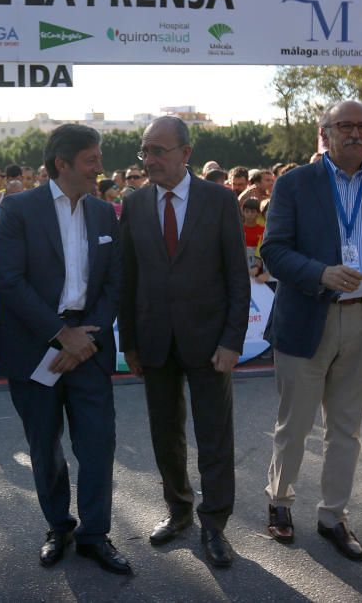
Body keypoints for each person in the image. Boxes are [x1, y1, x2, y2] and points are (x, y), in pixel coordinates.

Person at [260, 100, 362, 561]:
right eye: (345, 125)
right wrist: (320, 273)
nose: (355, 133)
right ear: (325, 133)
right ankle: (280, 503)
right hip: (307, 316)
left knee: (347, 430)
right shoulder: (294, 184)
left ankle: (333, 517)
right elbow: (273, 251)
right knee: (295, 425)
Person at [0, 124, 129, 575]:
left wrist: (84, 337)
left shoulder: (106, 213)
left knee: (97, 444)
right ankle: (59, 526)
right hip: (35, 347)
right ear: (62, 164)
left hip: (88, 345)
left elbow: (114, 283)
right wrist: (59, 334)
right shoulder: (17, 209)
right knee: (45, 445)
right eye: (92, 160)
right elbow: (9, 280)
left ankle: (94, 534)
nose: (100, 169)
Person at [118, 116, 249, 568]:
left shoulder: (219, 200)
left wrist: (233, 339)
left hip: (211, 342)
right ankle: (179, 511)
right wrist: (129, 343)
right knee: (165, 433)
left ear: (186, 154)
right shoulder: (133, 204)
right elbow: (127, 277)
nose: (149, 159)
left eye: (159, 150)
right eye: (145, 151)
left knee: (214, 436)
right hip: (155, 342)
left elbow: (237, 276)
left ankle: (214, 525)